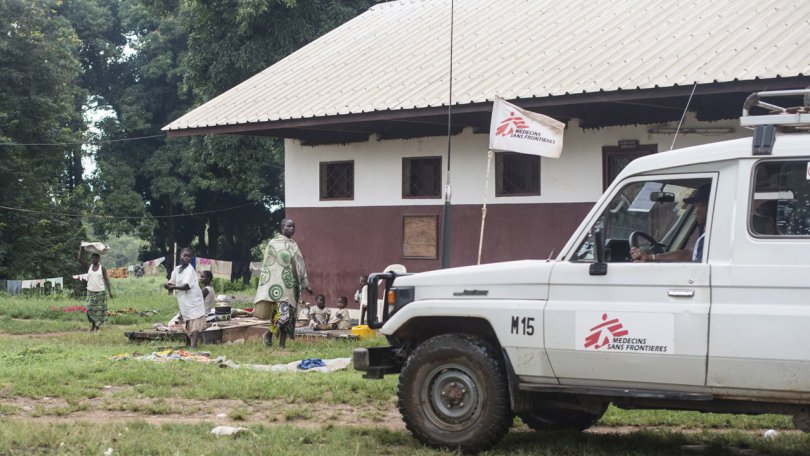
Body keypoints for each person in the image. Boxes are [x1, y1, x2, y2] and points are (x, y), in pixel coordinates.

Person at [255, 218, 314, 349]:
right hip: (278, 287)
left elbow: (300, 265)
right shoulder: (273, 243)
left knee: (290, 318)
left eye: (293, 227)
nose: (292, 229)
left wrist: (305, 284)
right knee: (283, 315)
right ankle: (269, 334)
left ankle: (282, 345)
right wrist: (267, 284)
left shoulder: (294, 245)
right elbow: (268, 266)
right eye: (289, 226)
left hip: (291, 287)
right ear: (282, 227)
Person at [630, 184, 710, 262]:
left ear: (707, 207)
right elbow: (690, 254)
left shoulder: (709, 239)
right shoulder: (707, 238)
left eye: (696, 206)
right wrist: (650, 257)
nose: (694, 212)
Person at [165, 247, 207, 348]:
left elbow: (186, 286)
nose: (187, 258)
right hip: (184, 301)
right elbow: (172, 281)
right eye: (185, 256)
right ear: (181, 256)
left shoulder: (190, 270)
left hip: (194, 300)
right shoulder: (177, 269)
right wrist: (168, 285)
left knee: (195, 321)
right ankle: (188, 343)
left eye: (189, 256)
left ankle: (194, 345)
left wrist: (173, 287)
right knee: (188, 320)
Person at [77, 247, 113, 332]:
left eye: (96, 257)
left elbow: (106, 280)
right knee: (90, 310)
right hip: (90, 291)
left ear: (98, 258)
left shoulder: (102, 268)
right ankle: (93, 324)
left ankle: (96, 327)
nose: (94, 259)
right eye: (93, 257)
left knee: (99, 311)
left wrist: (110, 291)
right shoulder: (89, 266)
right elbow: (79, 259)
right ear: (91, 258)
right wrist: (81, 248)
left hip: (100, 292)